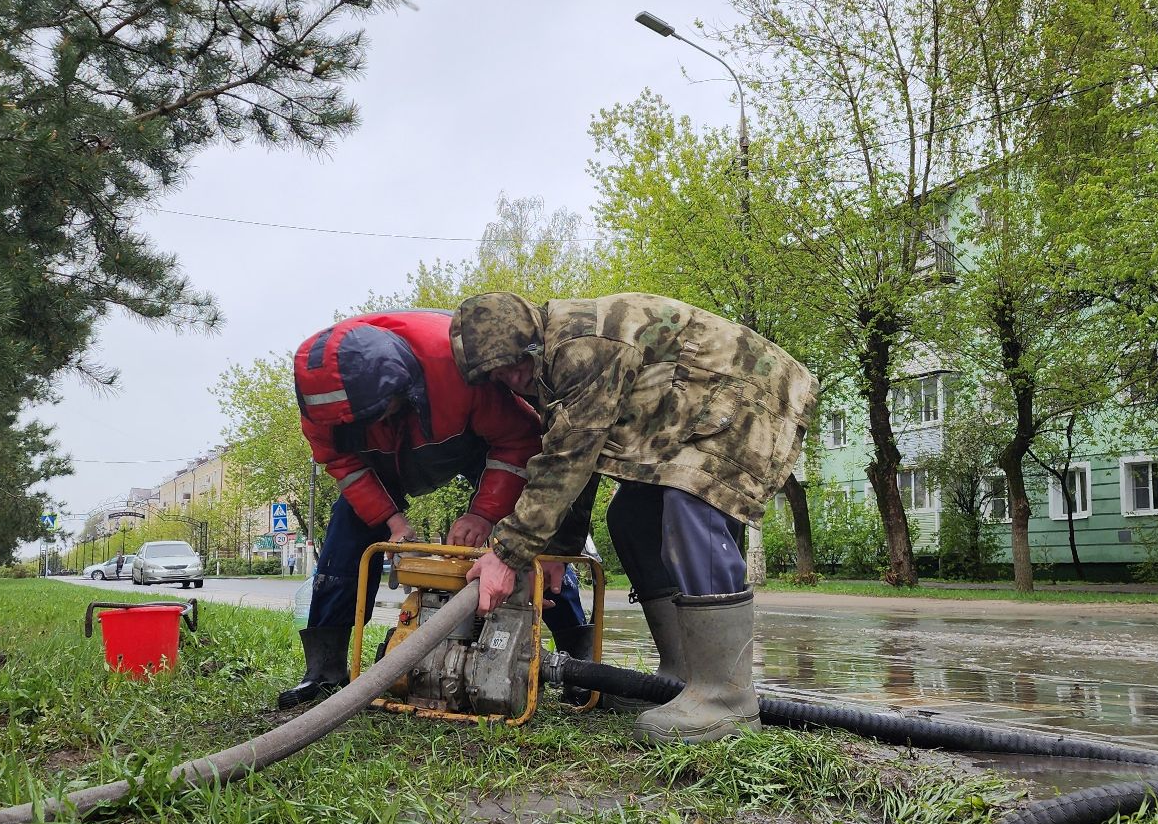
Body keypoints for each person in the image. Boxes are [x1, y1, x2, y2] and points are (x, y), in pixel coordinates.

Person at [452, 292, 817, 745]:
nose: (510, 378)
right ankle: (682, 677)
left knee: (691, 498)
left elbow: (568, 461)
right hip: (689, 406)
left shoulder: (577, 346)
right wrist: (559, 551)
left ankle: (726, 698)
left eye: (512, 363)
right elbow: (577, 458)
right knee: (631, 515)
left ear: (531, 339)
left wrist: (507, 555)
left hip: (749, 389)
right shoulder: (548, 365)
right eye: (496, 375)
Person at [280, 309, 593, 710]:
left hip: (470, 440)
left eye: (378, 413)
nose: (374, 423)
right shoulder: (320, 401)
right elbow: (342, 464)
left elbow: (520, 439)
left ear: (402, 384)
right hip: (382, 462)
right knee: (346, 534)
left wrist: (483, 514)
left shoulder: (454, 363)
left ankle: (578, 659)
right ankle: (323, 670)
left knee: (528, 529)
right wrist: (392, 521)